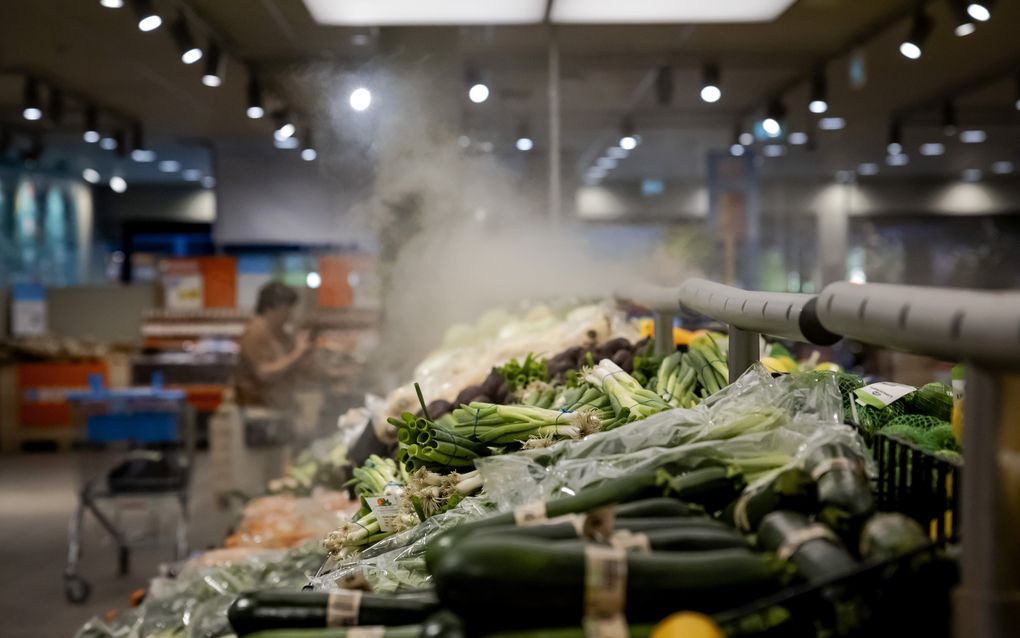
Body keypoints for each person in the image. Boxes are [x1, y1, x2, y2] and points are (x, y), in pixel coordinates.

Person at [235, 281, 314, 410]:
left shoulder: (278, 332)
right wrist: (298, 353)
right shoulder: (255, 332)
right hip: (258, 410)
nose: (290, 315)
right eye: (286, 310)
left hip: (280, 407)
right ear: (272, 308)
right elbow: (264, 374)